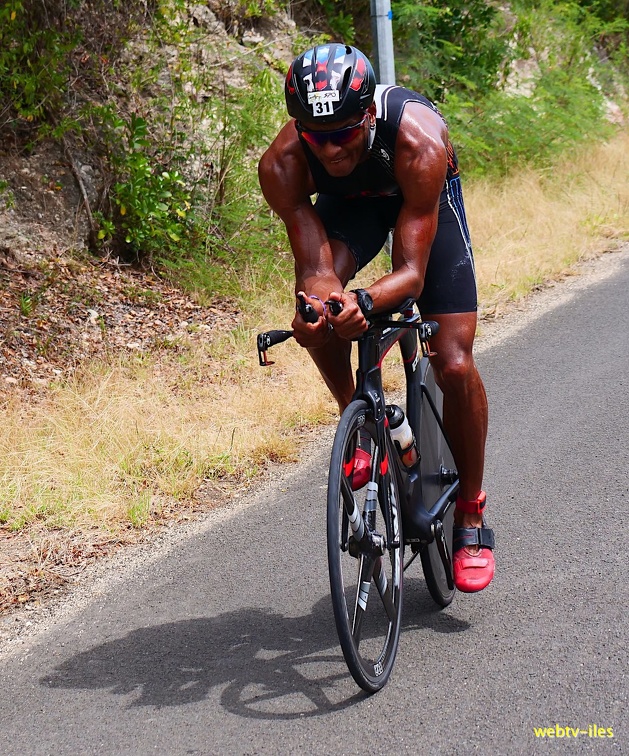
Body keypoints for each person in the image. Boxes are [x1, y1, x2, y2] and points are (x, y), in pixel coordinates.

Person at [258, 43, 494, 593]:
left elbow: (411, 271)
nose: (332, 148)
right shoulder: (284, 163)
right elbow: (315, 267)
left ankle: (472, 509)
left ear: (367, 115)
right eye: (317, 136)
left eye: (343, 132)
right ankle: (361, 424)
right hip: (356, 204)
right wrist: (326, 304)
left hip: (422, 198)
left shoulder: (417, 139)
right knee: (313, 311)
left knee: (454, 362)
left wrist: (365, 302)